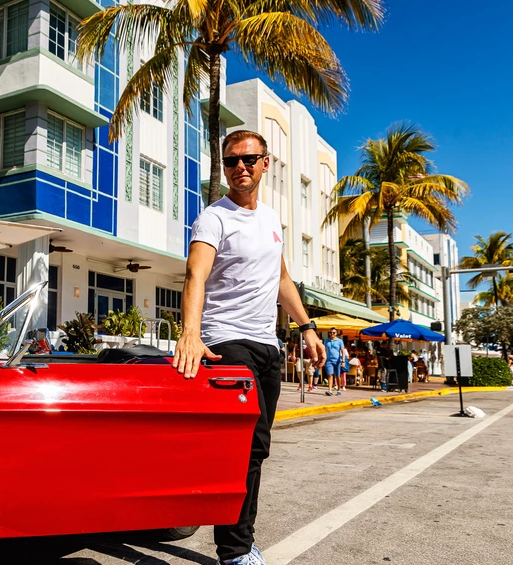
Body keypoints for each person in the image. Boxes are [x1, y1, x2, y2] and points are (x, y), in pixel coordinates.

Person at [173, 129, 325, 565]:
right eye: (230, 161)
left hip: (267, 346)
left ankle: (238, 538)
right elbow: (195, 276)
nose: (239, 167)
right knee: (243, 444)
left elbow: (281, 280)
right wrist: (191, 333)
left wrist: (307, 327)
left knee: (256, 449)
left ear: (265, 164)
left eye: (248, 159)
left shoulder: (271, 220)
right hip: (226, 342)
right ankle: (235, 551)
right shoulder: (213, 218)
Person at [323, 328, 344, 396]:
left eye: (333, 332)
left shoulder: (340, 341)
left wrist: (343, 361)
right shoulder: (326, 341)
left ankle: (339, 390)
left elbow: (343, 351)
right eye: (330, 332)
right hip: (329, 360)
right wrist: (323, 359)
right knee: (330, 375)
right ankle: (330, 390)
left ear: (336, 333)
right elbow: (324, 350)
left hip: (337, 360)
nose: (332, 334)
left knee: (337, 376)